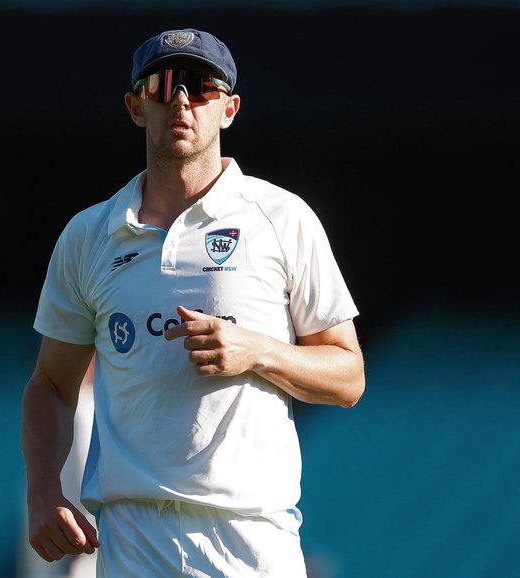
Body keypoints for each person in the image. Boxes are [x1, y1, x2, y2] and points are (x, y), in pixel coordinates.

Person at [21, 27, 366, 578]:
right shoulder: (88, 235)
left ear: (229, 109)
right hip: (132, 543)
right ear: (136, 107)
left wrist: (258, 351)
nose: (181, 99)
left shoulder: (283, 218)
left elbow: (349, 376)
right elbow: (51, 387)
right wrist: (42, 491)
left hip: (251, 542)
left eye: (201, 86)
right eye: (162, 85)